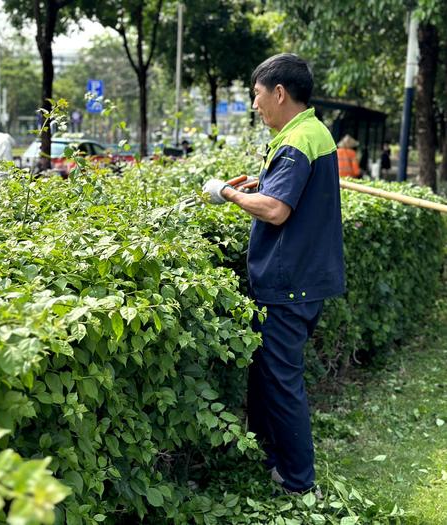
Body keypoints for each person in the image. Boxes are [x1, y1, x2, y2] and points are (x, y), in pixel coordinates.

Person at [202, 53, 345, 496]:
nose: (254, 105)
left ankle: (300, 484)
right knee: (269, 375)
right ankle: (272, 459)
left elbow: (278, 210)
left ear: (279, 92)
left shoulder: (297, 139)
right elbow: (285, 196)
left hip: (290, 284)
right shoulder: (311, 133)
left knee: (282, 383)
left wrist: (225, 193)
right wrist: (255, 189)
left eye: (256, 95)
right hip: (301, 279)